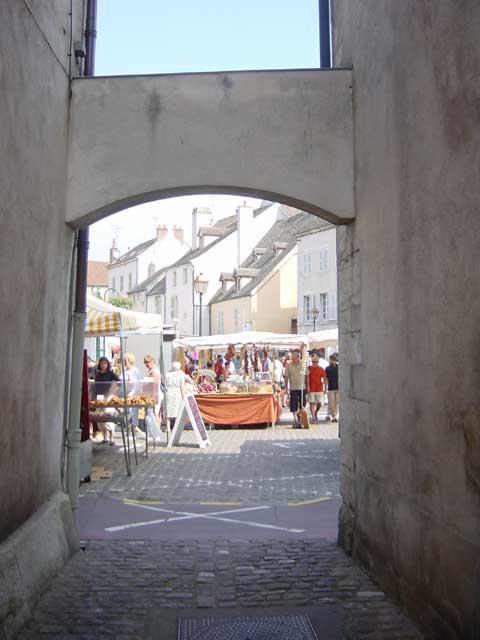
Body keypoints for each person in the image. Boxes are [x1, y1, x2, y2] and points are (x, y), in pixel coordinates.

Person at [94, 356, 120, 445]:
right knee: (100, 417)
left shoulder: (110, 373)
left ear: (107, 364)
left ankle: (112, 438)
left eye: (105, 363)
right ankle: (105, 437)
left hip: (108, 397)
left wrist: (112, 392)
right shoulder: (98, 374)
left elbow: (119, 383)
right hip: (99, 397)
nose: (103, 365)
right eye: (102, 363)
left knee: (109, 416)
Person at [165, 362, 193, 431]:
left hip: (169, 391)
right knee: (177, 410)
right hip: (177, 392)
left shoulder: (167, 374)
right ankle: (176, 427)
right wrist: (183, 396)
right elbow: (182, 387)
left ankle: (168, 427)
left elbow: (165, 384)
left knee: (169, 410)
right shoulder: (180, 375)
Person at [284, 350, 307, 428]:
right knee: (293, 403)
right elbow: (286, 377)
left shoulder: (302, 364)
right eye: (294, 356)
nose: (295, 357)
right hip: (293, 387)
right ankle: (295, 419)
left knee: (303, 403)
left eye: (297, 356)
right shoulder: (289, 365)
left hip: (302, 387)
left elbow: (307, 375)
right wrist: (286, 387)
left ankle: (299, 415)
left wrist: (308, 386)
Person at [124, 353, 141, 432]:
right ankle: (128, 431)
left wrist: (131, 380)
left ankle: (134, 432)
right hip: (125, 394)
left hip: (133, 395)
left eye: (125, 360)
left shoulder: (135, 370)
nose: (124, 362)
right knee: (127, 414)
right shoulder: (124, 370)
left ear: (130, 361)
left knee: (133, 414)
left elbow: (138, 382)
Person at [306, 355, 326, 423]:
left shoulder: (321, 369)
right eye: (313, 362)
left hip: (319, 388)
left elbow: (324, 378)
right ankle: (314, 417)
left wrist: (325, 388)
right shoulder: (309, 368)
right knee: (311, 403)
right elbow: (307, 378)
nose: (314, 363)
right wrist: (308, 386)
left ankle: (316, 412)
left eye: (316, 362)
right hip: (311, 388)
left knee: (319, 403)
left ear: (318, 362)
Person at [144, 354, 163, 421]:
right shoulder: (151, 371)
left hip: (155, 395)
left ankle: (157, 430)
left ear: (152, 362)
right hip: (154, 394)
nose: (146, 364)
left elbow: (155, 384)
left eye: (148, 362)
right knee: (155, 414)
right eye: (145, 362)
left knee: (156, 414)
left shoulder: (154, 371)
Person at [325, 354, 339, 422]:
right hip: (338, 387)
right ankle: (335, 415)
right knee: (336, 402)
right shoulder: (339, 367)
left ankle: (330, 414)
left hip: (331, 387)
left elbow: (326, 379)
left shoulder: (327, 368)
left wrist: (326, 387)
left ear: (330, 359)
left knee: (331, 402)